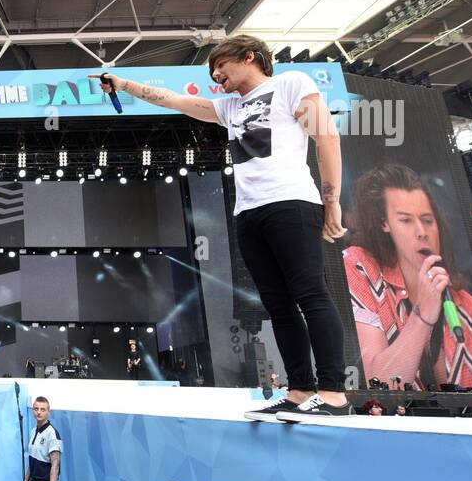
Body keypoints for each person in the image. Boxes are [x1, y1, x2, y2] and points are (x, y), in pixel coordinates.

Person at [94, 36, 350, 420]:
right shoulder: (228, 107)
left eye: (220, 66)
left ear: (249, 57)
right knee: (278, 306)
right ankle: (299, 391)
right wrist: (125, 84)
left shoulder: (291, 83)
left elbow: (326, 137)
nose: (216, 75)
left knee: (310, 294)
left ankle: (333, 394)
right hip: (248, 213)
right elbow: (171, 100)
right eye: (212, 71)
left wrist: (332, 201)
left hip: (292, 203)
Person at [343, 163, 472, 391]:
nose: (421, 232)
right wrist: (423, 315)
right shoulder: (359, 266)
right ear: (384, 225)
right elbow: (378, 385)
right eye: (405, 220)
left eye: (427, 220)